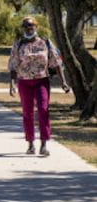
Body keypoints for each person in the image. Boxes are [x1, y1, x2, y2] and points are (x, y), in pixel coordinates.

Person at [8, 16, 70, 156]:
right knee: (27, 112)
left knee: (43, 110)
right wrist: (12, 84)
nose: (28, 28)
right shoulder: (18, 44)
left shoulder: (45, 42)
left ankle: (44, 144)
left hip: (41, 81)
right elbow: (13, 65)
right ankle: (30, 143)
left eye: (31, 26)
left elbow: (56, 63)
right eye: (25, 26)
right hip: (24, 81)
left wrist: (63, 82)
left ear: (36, 27)